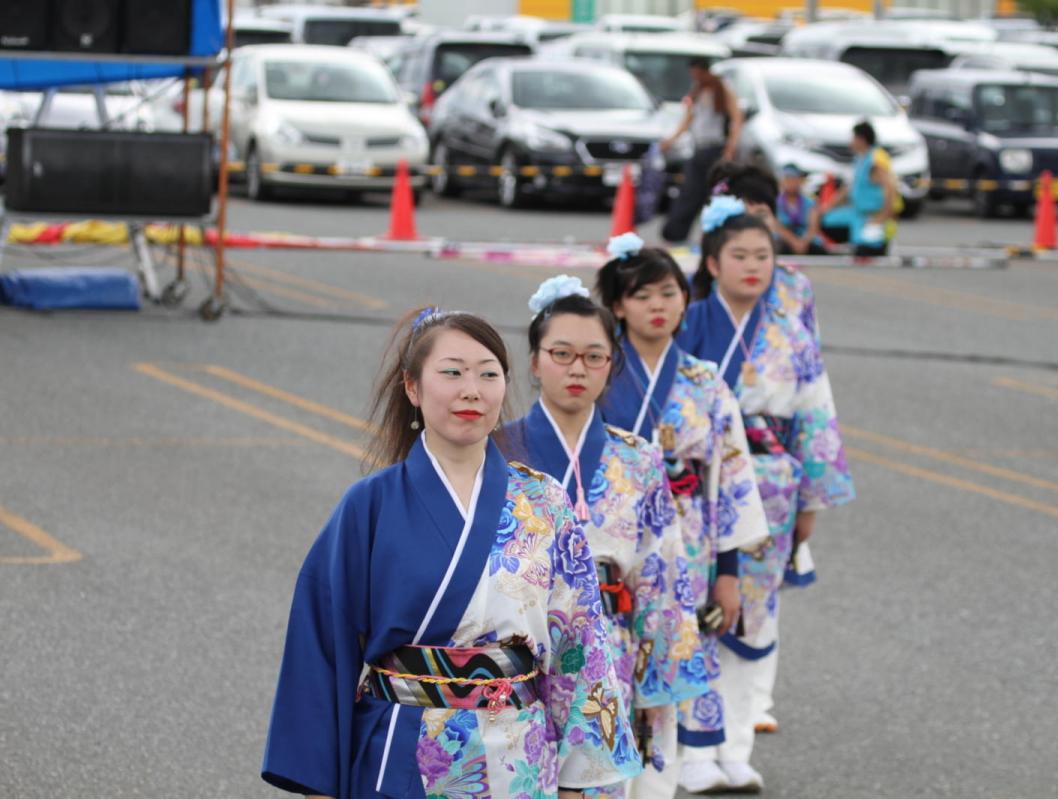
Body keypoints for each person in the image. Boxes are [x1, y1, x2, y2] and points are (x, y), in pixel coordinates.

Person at [261, 308, 642, 799]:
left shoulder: (543, 502)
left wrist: (579, 779)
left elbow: (582, 643)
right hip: (400, 752)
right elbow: (320, 645)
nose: (472, 390)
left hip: (517, 759)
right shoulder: (370, 505)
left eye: (488, 374)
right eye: (452, 372)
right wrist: (319, 782)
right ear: (413, 388)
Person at [674, 197, 856, 792]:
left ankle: (736, 745)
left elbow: (816, 418)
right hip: (697, 488)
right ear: (711, 261)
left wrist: (810, 503)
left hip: (772, 488)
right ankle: (693, 752)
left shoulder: (790, 336)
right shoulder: (689, 324)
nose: (753, 266)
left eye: (764, 255)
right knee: (695, 613)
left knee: (754, 616)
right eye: (739, 255)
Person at [503, 276, 709, 798]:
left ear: (611, 364)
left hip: (611, 648)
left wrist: (656, 678)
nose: (577, 368)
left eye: (594, 357)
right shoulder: (499, 452)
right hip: (521, 652)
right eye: (562, 353)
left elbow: (662, 569)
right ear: (534, 360)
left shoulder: (636, 456)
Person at [595, 233, 770, 796]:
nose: (659, 306)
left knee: (684, 651)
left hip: (689, 535)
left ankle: (684, 764)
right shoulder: (595, 372)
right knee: (608, 659)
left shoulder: (704, 382)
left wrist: (728, 572)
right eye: (642, 295)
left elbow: (731, 482)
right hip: (613, 544)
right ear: (618, 306)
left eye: (669, 293)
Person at [659, 58, 743, 244]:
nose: (695, 77)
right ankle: (676, 233)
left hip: (716, 149)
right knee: (690, 192)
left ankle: (720, 235)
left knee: (718, 194)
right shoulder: (696, 91)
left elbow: (737, 118)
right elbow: (688, 119)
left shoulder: (722, 89)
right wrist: (671, 140)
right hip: (699, 148)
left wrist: (730, 148)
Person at [816, 120, 900, 255]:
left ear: (861, 139)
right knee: (826, 221)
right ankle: (854, 242)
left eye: (853, 138)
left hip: (872, 215)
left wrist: (883, 216)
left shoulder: (875, 159)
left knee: (866, 249)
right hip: (856, 212)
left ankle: (878, 241)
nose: (851, 142)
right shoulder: (860, 159)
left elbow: (890, 188)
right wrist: (828, 207)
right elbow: (849, 188)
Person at [774, 164, 825, 256]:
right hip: (784, 240)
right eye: (787, 179)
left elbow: (813, 228)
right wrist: (794, 242)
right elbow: (776, 226)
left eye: (793, 179)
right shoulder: (775, 203)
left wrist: (803, 243)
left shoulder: (810, 203)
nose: (790, 183)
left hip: (806, 240)